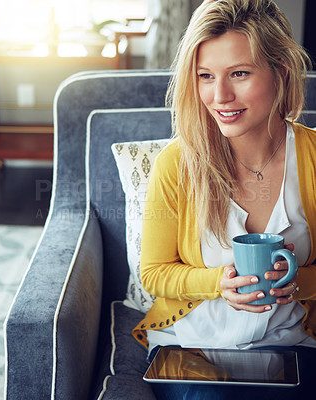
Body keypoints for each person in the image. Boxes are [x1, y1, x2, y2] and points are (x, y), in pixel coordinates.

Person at [133, 0, 316, 398]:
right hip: (194, 346)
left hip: (295, 344)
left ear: (280, 72)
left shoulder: (313, 158)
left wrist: (295, 282)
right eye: (205, 76)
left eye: (239, 73)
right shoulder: (176, 165)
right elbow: (153, 273)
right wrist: (221, 282)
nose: (220, 96)